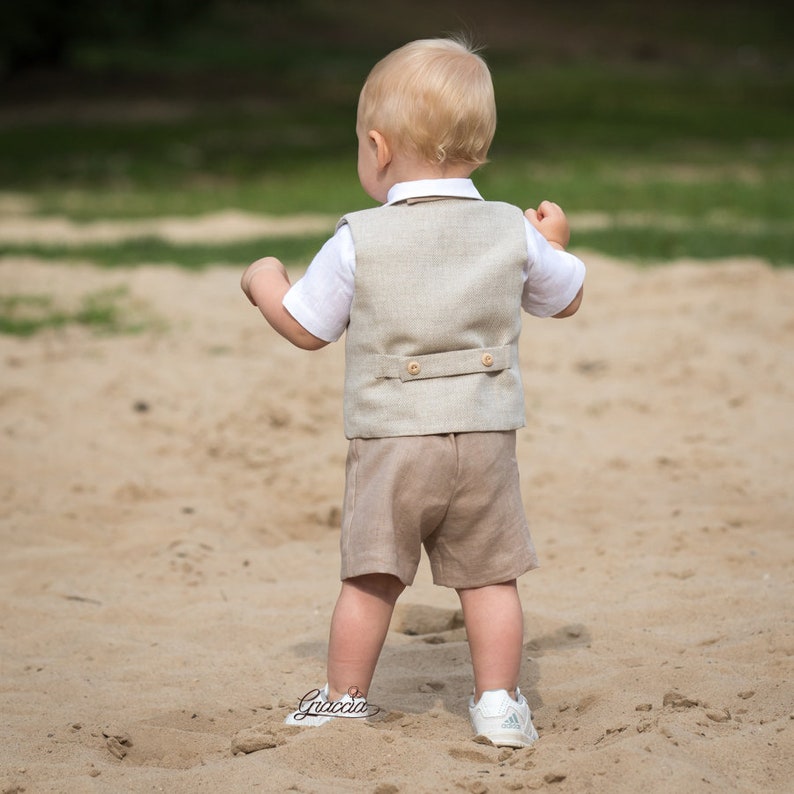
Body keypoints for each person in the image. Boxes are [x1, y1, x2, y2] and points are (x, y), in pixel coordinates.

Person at [240, 36, 585, 748]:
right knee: (489, 577)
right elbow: (564, 298)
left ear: (378, 147)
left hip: (393, 442)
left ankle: (343, 698)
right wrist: (553, 242)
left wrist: (263, 280)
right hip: (484, 438)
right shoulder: (510, 228)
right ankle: (499, 704)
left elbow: (306, 327)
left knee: (372, 575)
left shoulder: (359, 238)